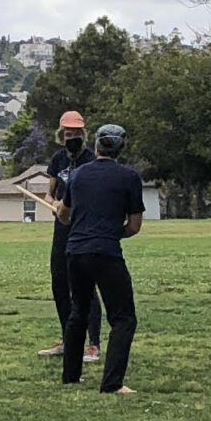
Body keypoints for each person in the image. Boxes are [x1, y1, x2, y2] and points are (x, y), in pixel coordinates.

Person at [58, 124, 145, 393]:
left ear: (96, 146)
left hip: (75, 251)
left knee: (78, 313)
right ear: (121, 148)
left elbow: (63, 214)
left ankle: (70, 376)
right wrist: (111, 232)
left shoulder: (79, 174)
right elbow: (134, 226)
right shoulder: (129, 177)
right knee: (123, 318)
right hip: (106, 252)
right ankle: (112, 383)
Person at [37, 111, 102, 361]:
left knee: (85, 286)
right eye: (68, 133)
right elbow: (50, 194)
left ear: (83, 135)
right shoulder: (57, 160)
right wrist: (53, 203)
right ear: (61, 135)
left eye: (76, 133)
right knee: (60, 284)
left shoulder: (91, 160)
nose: (71, 137)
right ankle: (68, 339)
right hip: (61, 229)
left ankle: (93, 344)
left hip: (83, 230)